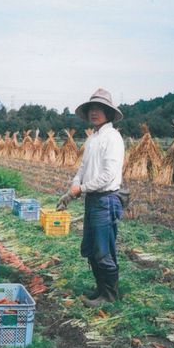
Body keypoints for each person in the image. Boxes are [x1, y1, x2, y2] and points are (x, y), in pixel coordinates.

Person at [56, 88, 126, 307]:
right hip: (93, 200)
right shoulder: (93, 139)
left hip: (106, 200)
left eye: (99, 109)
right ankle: (100, 289)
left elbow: (108, 176)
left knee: (103, 251)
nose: (94, 112)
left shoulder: (112, 138)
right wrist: (72, 190)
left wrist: (82, 188)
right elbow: (83, 168)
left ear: (108, 112)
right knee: (92, 249)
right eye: (91, 109)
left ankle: (109, 297)